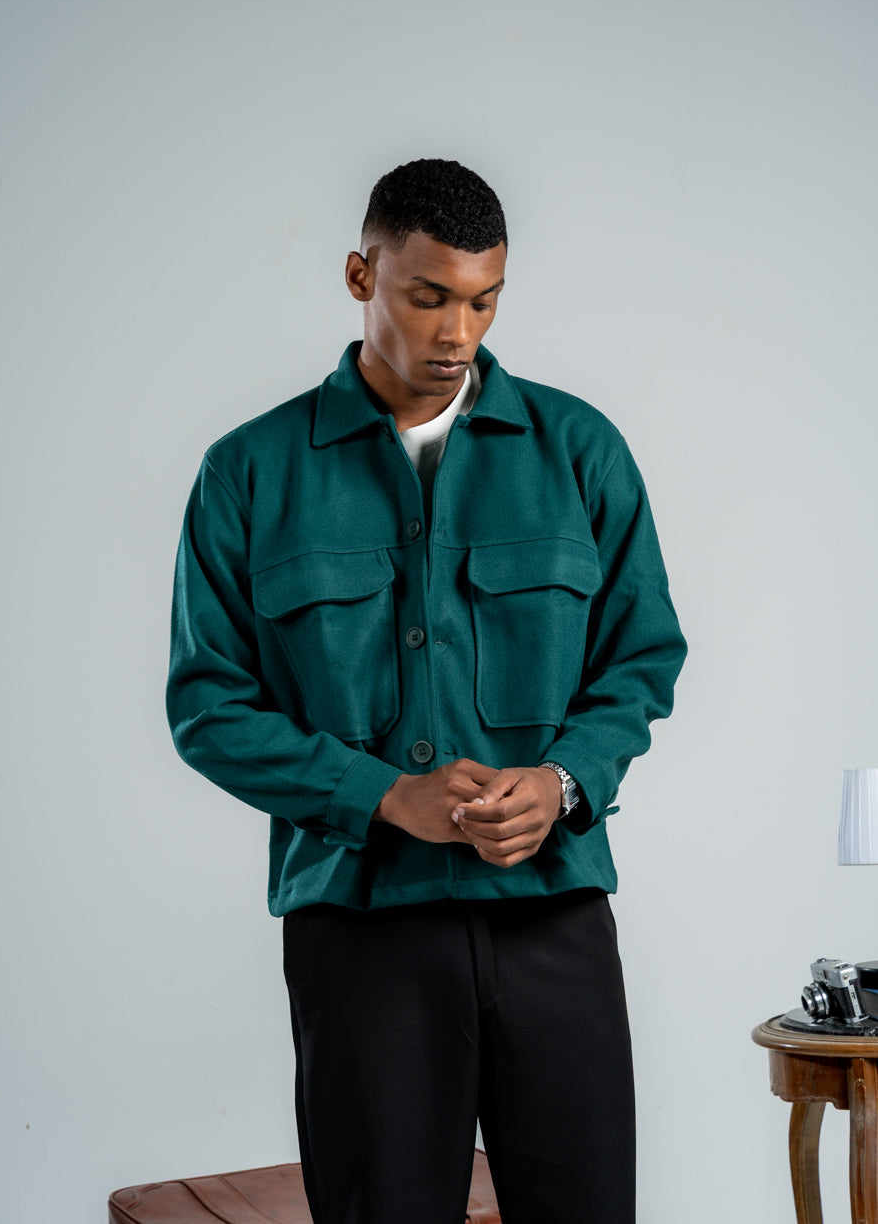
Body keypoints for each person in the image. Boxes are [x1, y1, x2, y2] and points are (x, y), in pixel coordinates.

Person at [166, 158, 687, 1224]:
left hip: (554, 915)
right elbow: (208, 703)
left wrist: (563, 781)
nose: (459, 332)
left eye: (485, 301)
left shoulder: (580, 450)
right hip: (360, 930)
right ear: (361, 276)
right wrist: (382, 795)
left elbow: (642, 656)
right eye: (430, 296)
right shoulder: (249, 472)